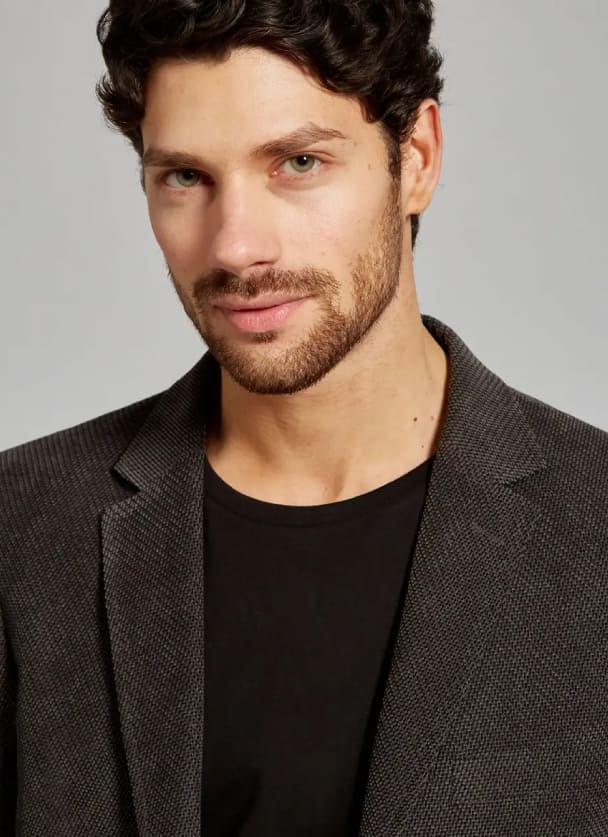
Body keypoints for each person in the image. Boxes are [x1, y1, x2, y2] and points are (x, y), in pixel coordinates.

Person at [1, 0, 606, 834]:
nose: (235, 246)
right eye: (185, 177)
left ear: (417, 157)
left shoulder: (594, 525)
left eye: (297, 162)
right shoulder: (22, 528)